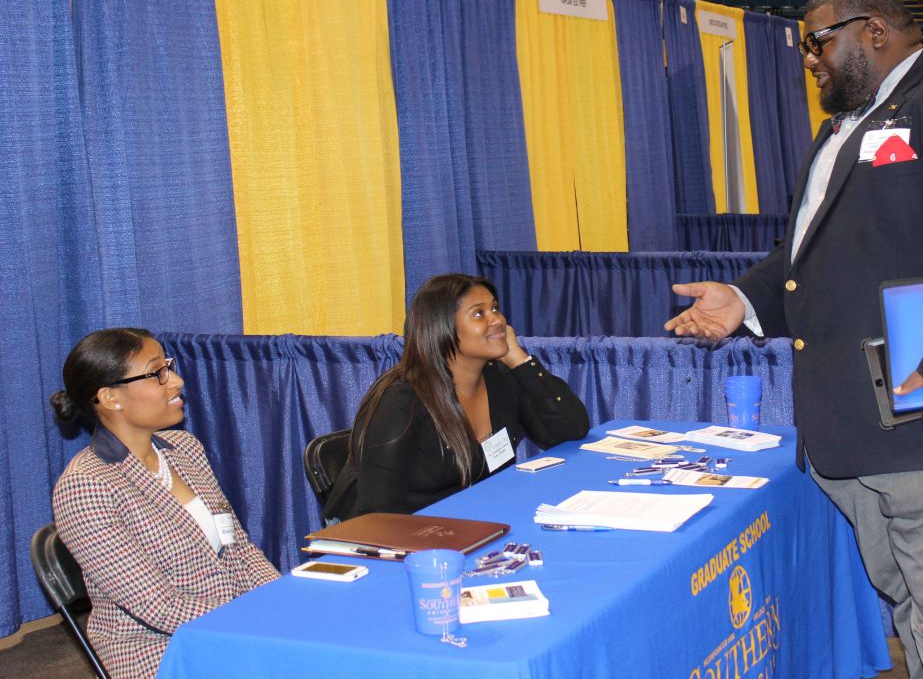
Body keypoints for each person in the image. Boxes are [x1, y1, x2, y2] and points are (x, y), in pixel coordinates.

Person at [664, 0, 923, 679]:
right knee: (920, 609)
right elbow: (816, 255)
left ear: (872, 30)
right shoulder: (845, 127)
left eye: (817, 42)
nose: (809, 60)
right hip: (868, 429)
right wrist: (745, 299)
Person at [50, 328, 279, 679]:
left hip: (233, 625)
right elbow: (158, 606)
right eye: (158, 373)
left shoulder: (185, 449)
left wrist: (283, 602)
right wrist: (254, 623)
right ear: (111, 398)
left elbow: (240, 550)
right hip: (157, 650)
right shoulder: (87, 486)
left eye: (168, 367)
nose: (177, 381)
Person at [324, 274, 589, 520]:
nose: (497, 320)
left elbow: (568, 431)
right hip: (414, 535)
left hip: (477, 522)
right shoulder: (401, 401)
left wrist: (519, 360)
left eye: (495, 308)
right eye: (479, 313)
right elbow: (378, 514)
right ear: (443, 329)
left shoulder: (500, 379)